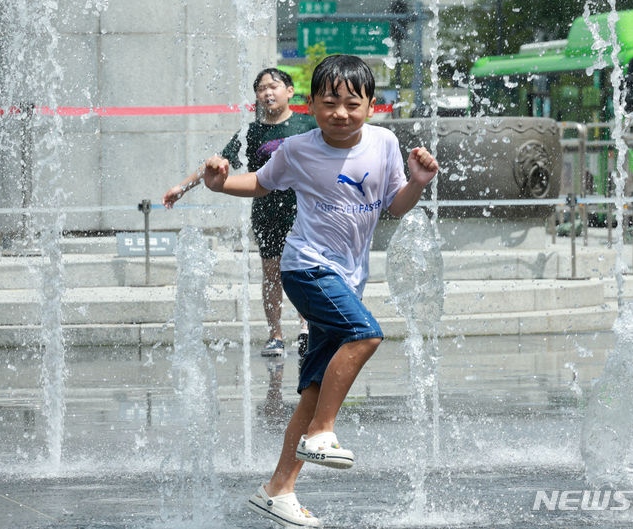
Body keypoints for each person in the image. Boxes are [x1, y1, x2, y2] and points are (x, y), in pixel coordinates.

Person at [200, 55, 439, 528]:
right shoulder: (298, 148)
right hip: (306, 268)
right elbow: (261, 184)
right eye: (330, 103)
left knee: (312, 391)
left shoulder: (385, 143)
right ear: (311, 106)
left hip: (347, 277)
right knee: (366, 333)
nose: (341, 113)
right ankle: (323, 433)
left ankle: (278, 490)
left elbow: (394, 206)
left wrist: (418, 182)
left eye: (353, 103)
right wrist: (221, 183)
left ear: (372, 105)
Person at [162, 67, 316, 359]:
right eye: (261, 89)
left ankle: (307, 327)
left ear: (289, 91)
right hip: (267, 212)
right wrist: (180, 188)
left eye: (273, 86)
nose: (267, 93)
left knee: (304, 269)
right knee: (271, 274)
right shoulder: (250, 132)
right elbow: (215, 165)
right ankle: (275, 335)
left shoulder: (308, 125)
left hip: (304, 210)